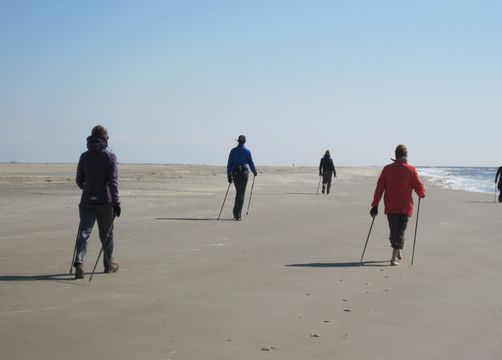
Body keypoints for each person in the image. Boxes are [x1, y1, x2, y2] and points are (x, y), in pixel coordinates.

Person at [73, 125, 121, 279]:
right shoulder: (110, 157)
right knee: (106, 235)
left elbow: (79, 180)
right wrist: (116, 203)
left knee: (84, 232)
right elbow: (113, 183)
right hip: (105, 202)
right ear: (105, 138)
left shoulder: (84, 156)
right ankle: (108, 265)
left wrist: (87, 189)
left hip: (87, 200)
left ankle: (79, 263)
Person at [370, 144, 425, 266]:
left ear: (396, 155)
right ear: (406, 155)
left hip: (390, 205)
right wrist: (422, 194)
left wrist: (375, 205)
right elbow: (418, 185)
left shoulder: (387, 169)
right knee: (397, 231)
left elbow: (379, 188)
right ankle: (397, 251)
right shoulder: (411, 170)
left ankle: (394, 257)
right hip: (405, 206)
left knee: (397, 231)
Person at [227, 135, 257, 220]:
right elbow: (251, 163)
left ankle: (236, 212)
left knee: (239, 192)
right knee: (241, 193)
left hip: (235, 172)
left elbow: (229, 164)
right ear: (245, 141)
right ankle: (237, 214)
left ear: (238, 141)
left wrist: (229, 176)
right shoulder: (247, 151)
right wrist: (254, 171)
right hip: (244, 173)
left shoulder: (233, 151)